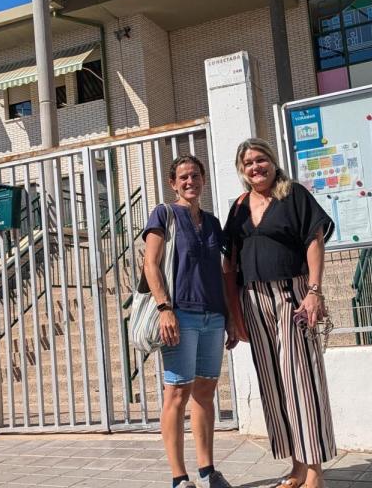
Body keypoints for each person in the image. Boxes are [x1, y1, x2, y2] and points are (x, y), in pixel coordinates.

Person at [223, 138, 336, 488]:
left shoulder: (294, 195)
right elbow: (230, 259)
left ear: (272, 162)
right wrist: (232, 312)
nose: (255, 167)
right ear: (241, 170)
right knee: (273, 384)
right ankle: (297, 467)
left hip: (292, 294)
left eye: (261, 160)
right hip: (254, 300)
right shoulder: (240, 206)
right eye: (248, 163)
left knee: (302, 380)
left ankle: (315, 469)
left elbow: (314, 240)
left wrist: (314, 291)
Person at [142, 154, 235, 488]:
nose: (190, 181)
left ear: (203, 179)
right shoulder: (164, 214)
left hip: (213, 315)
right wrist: (164, 308)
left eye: (195, 175)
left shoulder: (212, 223)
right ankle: (179, 477)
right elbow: (150, 264)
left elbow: (223, 271)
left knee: (206, 392)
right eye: (183, 177)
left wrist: (230, 318)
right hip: (180, 314)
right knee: (177, 393)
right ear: (173, 183)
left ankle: (208, 470)